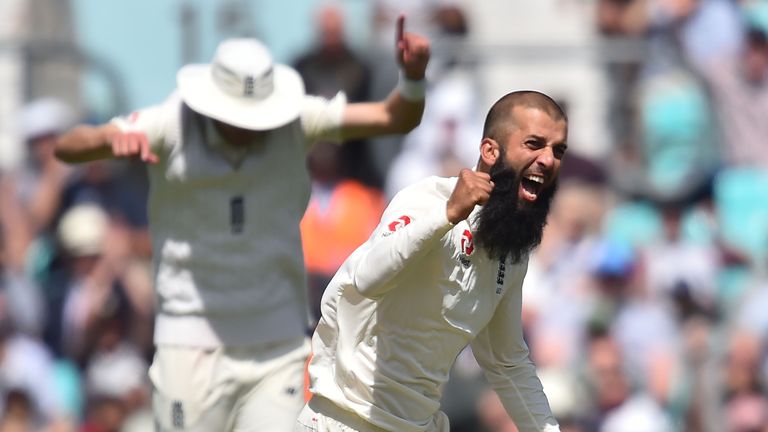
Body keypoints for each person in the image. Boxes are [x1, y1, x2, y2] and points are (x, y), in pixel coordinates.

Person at [54, 15, 430, 432]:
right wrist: (110, 140)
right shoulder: (169, 122)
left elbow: (393, 118)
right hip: (189, 344)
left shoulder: (296, 119)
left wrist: (412, 78)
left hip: (278, 346)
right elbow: (68, 146)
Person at [298, 91, 566, 432]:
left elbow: (507, 363)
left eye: (558, 150)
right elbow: (368, 279)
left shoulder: (510, 255)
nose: (548, 160)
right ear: (489, 151)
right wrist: (447, 215)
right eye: (534, 144)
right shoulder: (427, 199)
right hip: (346, 420)